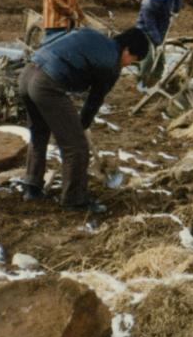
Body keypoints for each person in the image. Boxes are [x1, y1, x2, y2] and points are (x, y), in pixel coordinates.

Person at [17, 26, 149, 211]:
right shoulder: (112, 64)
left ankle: (31, 187)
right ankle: (74, 200)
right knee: (76, 147)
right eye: (133, 59)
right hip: (46, 84)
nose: (129, 63)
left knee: (39, 134)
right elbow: (94, 100)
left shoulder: (93, 35)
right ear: (127, 50)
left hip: (27, 74)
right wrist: (81, 126)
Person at [135, 0, 183, 87]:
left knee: (160, 59)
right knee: (149, 57)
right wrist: (158, 43)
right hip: (145, 30)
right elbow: (151, 28)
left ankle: (155, 81)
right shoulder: (147, 5)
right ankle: (141, 81)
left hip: (162, 28)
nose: (161, 0)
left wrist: (176, 10)